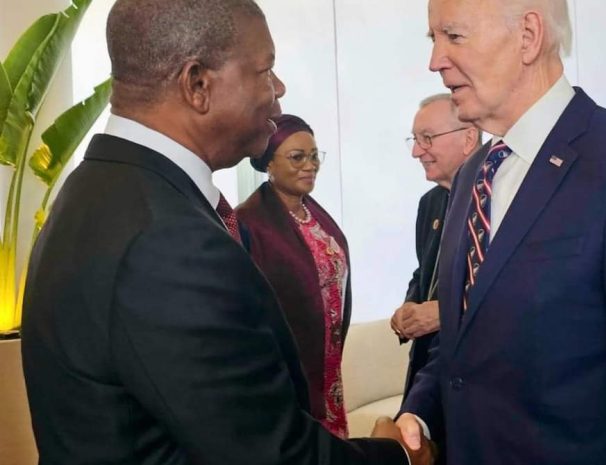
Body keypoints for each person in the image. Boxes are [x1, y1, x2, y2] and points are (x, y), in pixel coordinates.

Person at [20, 1, 433, 464]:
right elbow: (271, 455)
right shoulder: (170, 242)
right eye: (265, 70)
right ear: (198, 84)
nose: (279, 88)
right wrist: (397, 457)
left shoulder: (95, 188)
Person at [395, 0, 606, 464]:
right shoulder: (473, 176)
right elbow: (465, 335)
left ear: (528, 35)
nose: (435, 61)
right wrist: (421, 412)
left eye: (454, 36)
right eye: (434, 39)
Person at [236, 114, 350, 438]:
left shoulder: (317, 216)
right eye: (297, 157)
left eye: (314, 156)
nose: (309, 165)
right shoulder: (248, 221)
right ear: (269, 164)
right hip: (285, 370)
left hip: (328, 365)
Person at [390, 94, 480, 398]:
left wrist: (445, 314)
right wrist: (409, 307)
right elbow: (424, 271)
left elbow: (514, 293)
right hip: (427, 368)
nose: (417, 151)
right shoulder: (430, 203)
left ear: (469, 138)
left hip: (475, 375)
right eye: (415, 140)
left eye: (427, 139)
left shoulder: (496, 200)